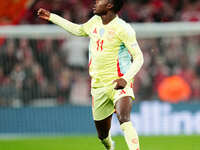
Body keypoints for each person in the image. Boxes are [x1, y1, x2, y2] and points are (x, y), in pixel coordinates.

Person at [37, 0, 144, 149]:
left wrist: (125, 79)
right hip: (98, 86)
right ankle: (109, 146)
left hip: (119, 82)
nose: (96, 2)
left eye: (100, 1)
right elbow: (78, 30)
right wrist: (52, 17)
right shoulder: (94, 21)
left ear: (109, 6)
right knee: (102, 135)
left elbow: (139, 57)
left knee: (124, 119)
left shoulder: (124, 29)